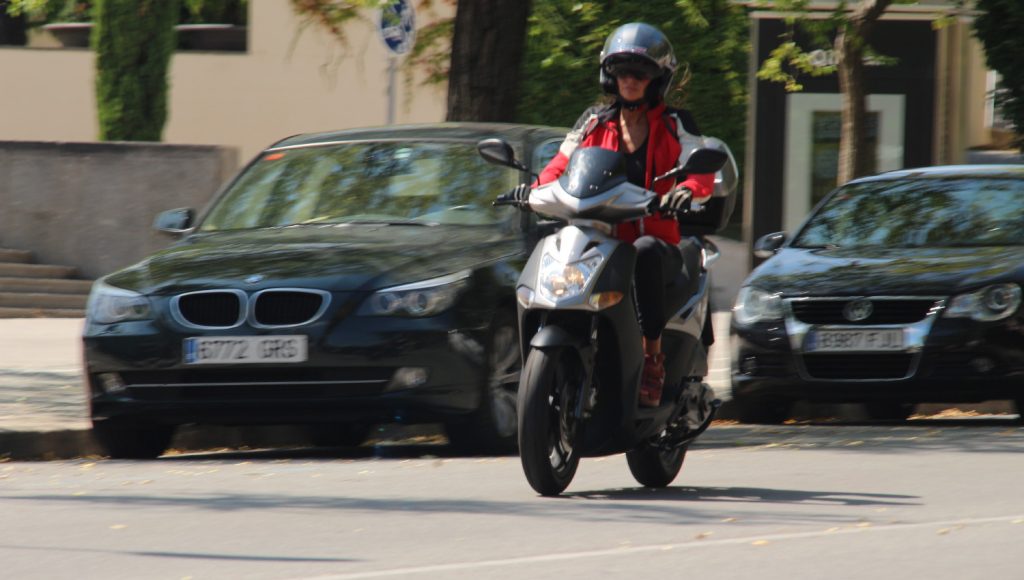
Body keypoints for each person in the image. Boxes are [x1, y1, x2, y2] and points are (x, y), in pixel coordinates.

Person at [519, 22, 716, 408]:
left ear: (656, 78)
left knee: (642, 250)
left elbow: (701, 175)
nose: (630, 79)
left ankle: (652, 358)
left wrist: (684, 191)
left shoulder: (677, 125)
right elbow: (560, 164)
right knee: (554, 244)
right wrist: (533, 190)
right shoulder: (593, 121)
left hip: (656, 240)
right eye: (622, 71)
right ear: (610, 75)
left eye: (640, 72)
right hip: (602, 238)